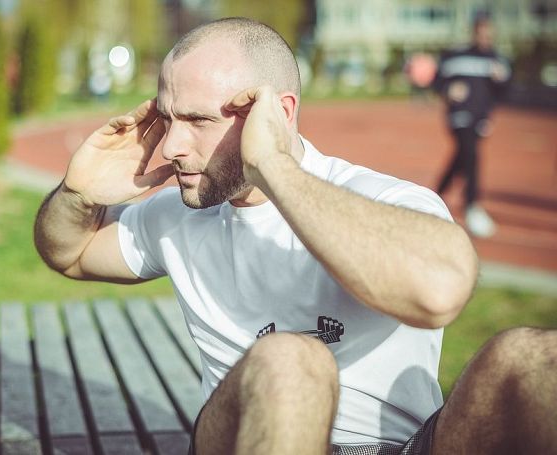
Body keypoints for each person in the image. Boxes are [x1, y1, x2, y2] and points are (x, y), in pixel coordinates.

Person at [35, 17, 556, 455]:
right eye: (168, 118)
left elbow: (440, 293)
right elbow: (70, 253)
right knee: (293, 359)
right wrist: (78, 194)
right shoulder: (176, 216)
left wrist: (271, 165)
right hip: (246, 435)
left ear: (278, 115)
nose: (170, 145)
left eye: (196, 120)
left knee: (531, 358)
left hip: (403, 446)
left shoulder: (386, 201)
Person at [432, 13, 511, 238]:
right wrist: (449, 90)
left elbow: (504, 92)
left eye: (489, 32)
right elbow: (438, 82)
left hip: (481, 121)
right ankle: (472, 206)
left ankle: (435, 197)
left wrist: (501, 79)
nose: (485, 36)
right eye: (481, 31)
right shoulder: (455, 56)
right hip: (458, 117)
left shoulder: (497, 60)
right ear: (474, 31)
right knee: (471, 155)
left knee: (461, 158)